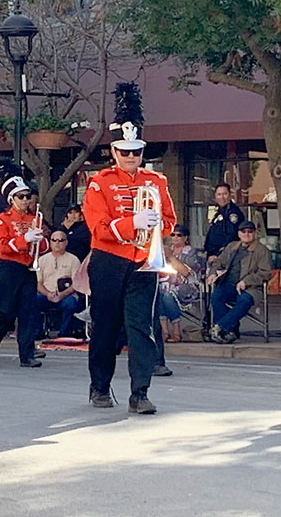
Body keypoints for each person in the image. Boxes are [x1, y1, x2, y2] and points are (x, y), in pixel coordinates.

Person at [83, 82, 176, 415]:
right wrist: (132, 223)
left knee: (141, 327)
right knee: (106, 325)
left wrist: (155, 227)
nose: (132, 157)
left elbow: (170, 221)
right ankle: (99, 385)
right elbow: (98, 227)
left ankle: (140, 391)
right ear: (114, 151)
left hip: (142, 263)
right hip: (109, 261)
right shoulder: (100, 183)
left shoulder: (157, 182)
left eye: (136, 151)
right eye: (125, 151)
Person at [0, 158, 48, 367]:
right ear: (12, 199)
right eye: (21, 197)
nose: (25, 200)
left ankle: (27, 355)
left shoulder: (34, 219)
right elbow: (2, 245)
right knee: (5, 311)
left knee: (28, 312)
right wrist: (25, 240)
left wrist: (42, 241)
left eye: (27, 196)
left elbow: (45, 246)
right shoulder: (2, 219)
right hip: (8, 268)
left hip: (27, 268)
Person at [205, 220, 272, 344]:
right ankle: (229, 331)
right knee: (217, 296)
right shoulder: (232, 246)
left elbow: (266, 273)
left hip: (251, 288)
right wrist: (213, 273)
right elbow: (218, 262)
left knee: (244, 300)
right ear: (239, 233)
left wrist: (246, 281)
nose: (246, 234)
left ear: (255, 233)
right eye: (243, 231)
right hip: (229, 284)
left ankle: (221, 327)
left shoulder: (262, 251)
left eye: (250, 231)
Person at [156, 224, 203, 344]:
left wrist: (171, 257)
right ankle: (164, 331)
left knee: (168, 296)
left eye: (179, 235)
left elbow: (187, 273)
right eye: (173, 234)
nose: (175, 237)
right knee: (159, 294)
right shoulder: (166, 250)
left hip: (188, 286)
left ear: (185, 238)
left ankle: (176, 331)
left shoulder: (191, 253)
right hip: (166, 283)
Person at [34, 229, 82, 338]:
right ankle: (38, 331)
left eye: (61, 240)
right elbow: (38, 283)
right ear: (50, 242)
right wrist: (48, 294)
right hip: (46, 295)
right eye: (54, 240)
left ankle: (64, 332)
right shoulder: (42, 260)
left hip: (66, 296)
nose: (57, 243)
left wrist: (62, 295)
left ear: (66, 242)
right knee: (32, 301)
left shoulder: (74, 260)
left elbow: (76, 284)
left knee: (71, 303)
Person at [204, 183, 245, 263]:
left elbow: (232, 236)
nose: (222, 197)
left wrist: (219, 255)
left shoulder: (233, 213)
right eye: (219, 194)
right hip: (213, 256)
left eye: (225, 194)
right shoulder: (219, 211)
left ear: (230, 195)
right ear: (215, 196)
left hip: (225, 258)